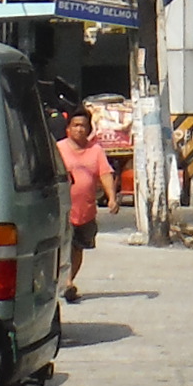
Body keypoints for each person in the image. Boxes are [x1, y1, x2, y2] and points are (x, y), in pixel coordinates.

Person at [57, 115, 113, 300]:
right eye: (76, 125)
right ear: (68, 128)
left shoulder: (96, 151)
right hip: (63, 210)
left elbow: (105, 174)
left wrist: (112, 198)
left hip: (86, 211)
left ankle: (68, 281)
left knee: (78, 248)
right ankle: (66, 284)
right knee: (63, 247)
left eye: (83, 126)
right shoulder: (59, 149)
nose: (80, 129)